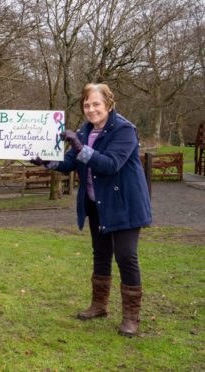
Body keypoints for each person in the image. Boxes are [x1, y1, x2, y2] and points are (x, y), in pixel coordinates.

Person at [32, 83, 152, 337]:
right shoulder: (85, 131)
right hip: (96, 204)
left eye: (96, 104)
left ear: (109, 104)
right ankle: (99, 305)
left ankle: (131, 316)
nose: (91, 109)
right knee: (101, 253)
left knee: (126, 256)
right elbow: (68, 162)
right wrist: (47, 161)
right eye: (87, 104)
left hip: (124, 205)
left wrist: (79, 147)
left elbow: (110, 164)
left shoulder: (124, 130)